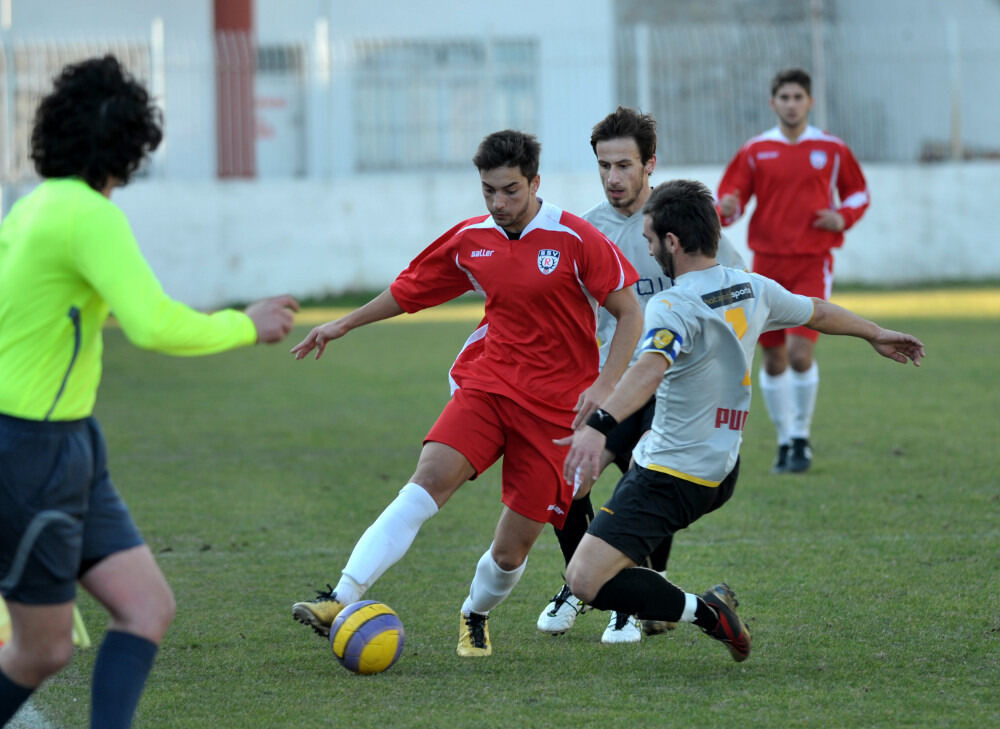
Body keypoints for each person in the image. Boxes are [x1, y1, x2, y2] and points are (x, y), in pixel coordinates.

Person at [0, 56, 298, 729]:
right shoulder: (87, 215)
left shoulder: (33, 205)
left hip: (72, 442)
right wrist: (242, 325)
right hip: (30, 453)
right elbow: (152, 323)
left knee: (146, 606)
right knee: (40, 649)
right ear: (130, 145)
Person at [290, 130, 643, 658]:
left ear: (535, 183)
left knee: (510, 551)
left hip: (556, 413)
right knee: (428, 478)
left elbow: (630, 311)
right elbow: (410, 289)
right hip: (489, 386)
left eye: (510, 191)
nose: (498, 203)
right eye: (488, 192)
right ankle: (339, 596)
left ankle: (474, 613)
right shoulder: (473, 238)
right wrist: (345, 323)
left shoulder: (573, 237)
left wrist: (605, 384)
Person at [559, 179, 923, 662]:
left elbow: (648, 368)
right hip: (722, 471)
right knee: (612, 558)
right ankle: (677, 604)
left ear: (672, 242)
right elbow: (816, 312)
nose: (646, 249)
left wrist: (599, 425)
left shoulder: (672, 304)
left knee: (584, 579)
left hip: (669, 475)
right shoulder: (752, 288)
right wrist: (874, 332)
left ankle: (706, 613)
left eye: (649, 240)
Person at [536, 107, 748, 644]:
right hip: (611, 380)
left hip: (672, 390)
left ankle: (632, 596)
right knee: (565, 475)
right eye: (604, 166)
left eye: (624, 165)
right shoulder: (586, 231)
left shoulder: (681, 225)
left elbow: (738, 290)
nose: (613, 178)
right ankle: (593, 585)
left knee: (643, 484)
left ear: (650, 164)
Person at [717, 68, 870, 474]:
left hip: (812, 262)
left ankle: (801, 437)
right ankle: (785, 442)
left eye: (797, 96)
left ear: (809, 101)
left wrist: (844, 216)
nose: (791, 104)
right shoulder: (755, 151)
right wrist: (726, 210)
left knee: (802, 354)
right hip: (767, 263)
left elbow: (859, 192)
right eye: (783, 97)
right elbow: (729, 199)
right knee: (773, 358)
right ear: (773, 103)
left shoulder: (832, 149)